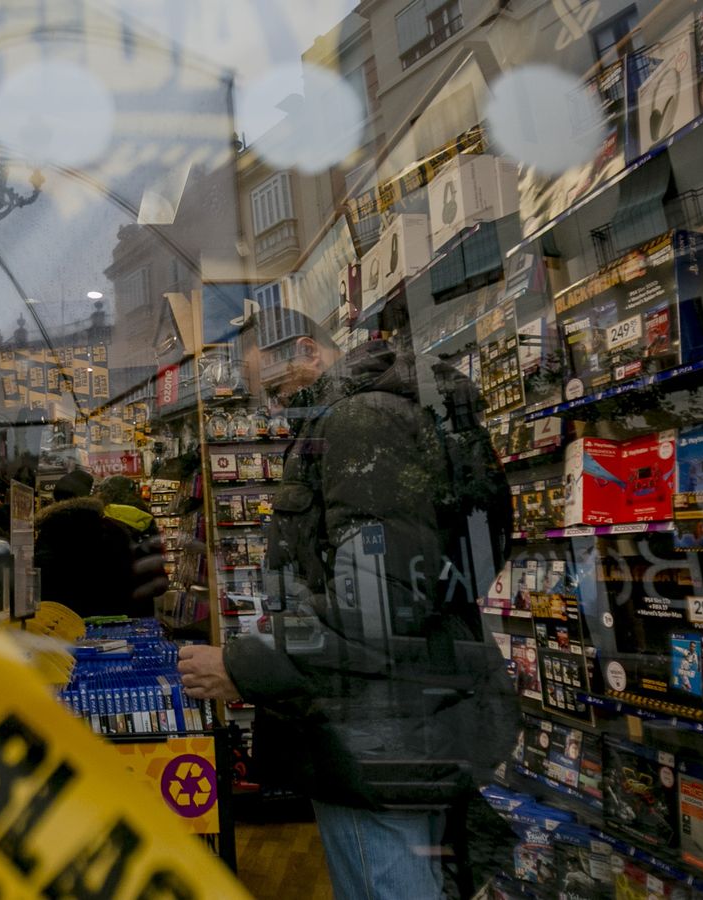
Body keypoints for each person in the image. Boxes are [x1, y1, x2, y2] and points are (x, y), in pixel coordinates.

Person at [179, 321, 514, 900]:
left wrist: (241, 666)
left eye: (277, 389)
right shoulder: (371, 418)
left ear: (307, 350)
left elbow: (377, 607)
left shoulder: (361, 424)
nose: (274, 407)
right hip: (402, 721)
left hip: (375, 735)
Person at [34, 469, 167, 619]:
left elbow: (43, 583)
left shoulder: (48, 533)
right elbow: (132, 579)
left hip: (64, 622)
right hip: (116, 621)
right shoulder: (112, 529)